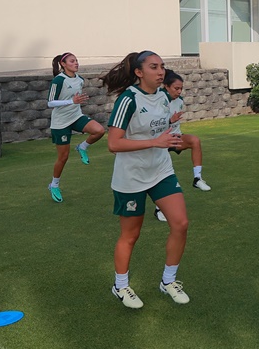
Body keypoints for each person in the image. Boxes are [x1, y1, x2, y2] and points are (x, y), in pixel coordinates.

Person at [104, 51, 191, 309]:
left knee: (181, 223)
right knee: (130, 236)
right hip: (131, 176)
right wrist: (155, 141)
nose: (160, 71)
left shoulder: (164, 96)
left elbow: (159, 128)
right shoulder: (127, 100)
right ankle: (120, 286)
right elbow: (113, 143)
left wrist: (171, 135)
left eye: (162, 66)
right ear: (139, 72)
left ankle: (168, 281)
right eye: (154, 67)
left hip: (161, 169)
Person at [46, 52, 107, 203]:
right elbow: (50, 103)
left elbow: (75, 100)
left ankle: (82, 147)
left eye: (77, 61)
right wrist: (71, 101)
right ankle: (54, 185)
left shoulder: (80, 79)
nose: (76, 63)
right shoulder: (58, 80)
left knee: (99, 130)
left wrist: (76, 101)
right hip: (60, 123)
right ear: (63, 64)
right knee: (63, 157)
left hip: (76, 116)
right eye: (72, 61)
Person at [153, 70, 211, 222]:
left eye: (181, 88)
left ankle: (197, 179)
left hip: (175, 137)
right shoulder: (157, 99)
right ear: (166, 87)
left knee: (195, 141)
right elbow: (153, 124)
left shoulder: (179, 100)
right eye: (176, 88)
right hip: (159, 140)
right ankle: (159, 209)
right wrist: (169, 121)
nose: (179, 92)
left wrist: (173, 125)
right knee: (162, 172)